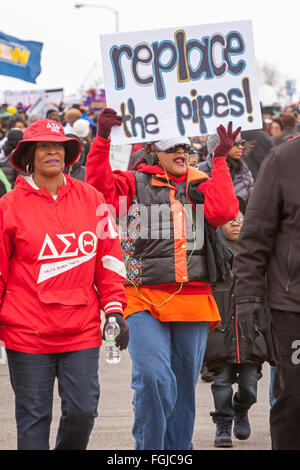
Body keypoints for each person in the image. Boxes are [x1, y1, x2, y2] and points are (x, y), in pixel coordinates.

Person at [85, 108, 239, 450]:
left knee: (184, 388)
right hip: (142, 297)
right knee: (152, 378)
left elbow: (225, 212)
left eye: (184, 145)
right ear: (153, 151)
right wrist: (102, 141)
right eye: (172, 147)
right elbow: (98, 191)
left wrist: (220, 160)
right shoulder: (133, 182)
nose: (181, 151)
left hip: (195, 299)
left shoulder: (200, 182)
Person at [0, 118, 129, 450]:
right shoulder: (8, 207)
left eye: (58, 146)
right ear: (29, 155)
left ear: (68, 154)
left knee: (83, 411)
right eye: (43, 146)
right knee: (33, 418)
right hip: (26, 333)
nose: (52, 152)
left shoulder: (93, 199)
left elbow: (109, 260)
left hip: (81, 330)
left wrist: (114, 310)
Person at [232, 135, 300, 450]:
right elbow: (253, 238)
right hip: (293, 307)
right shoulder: (282, 160)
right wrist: (248, 299)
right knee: (295, 399)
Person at [204, 197, 271, 447]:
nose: (235, 224)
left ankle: (241, 408)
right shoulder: (211, 254)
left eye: (240, 219)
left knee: (250, 383)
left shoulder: (256, 256)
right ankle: (223, 422)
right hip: (219, 332)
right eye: (230, 219)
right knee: (221, 382)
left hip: (249, 332)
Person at [198, 131, 254, 202]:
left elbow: (251, 203)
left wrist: (242, 212)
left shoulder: (244, 170)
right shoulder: (200, 170)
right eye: (235, 143)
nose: (240, 147)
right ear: (219, 147)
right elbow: (195, 204)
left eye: (242, 143)